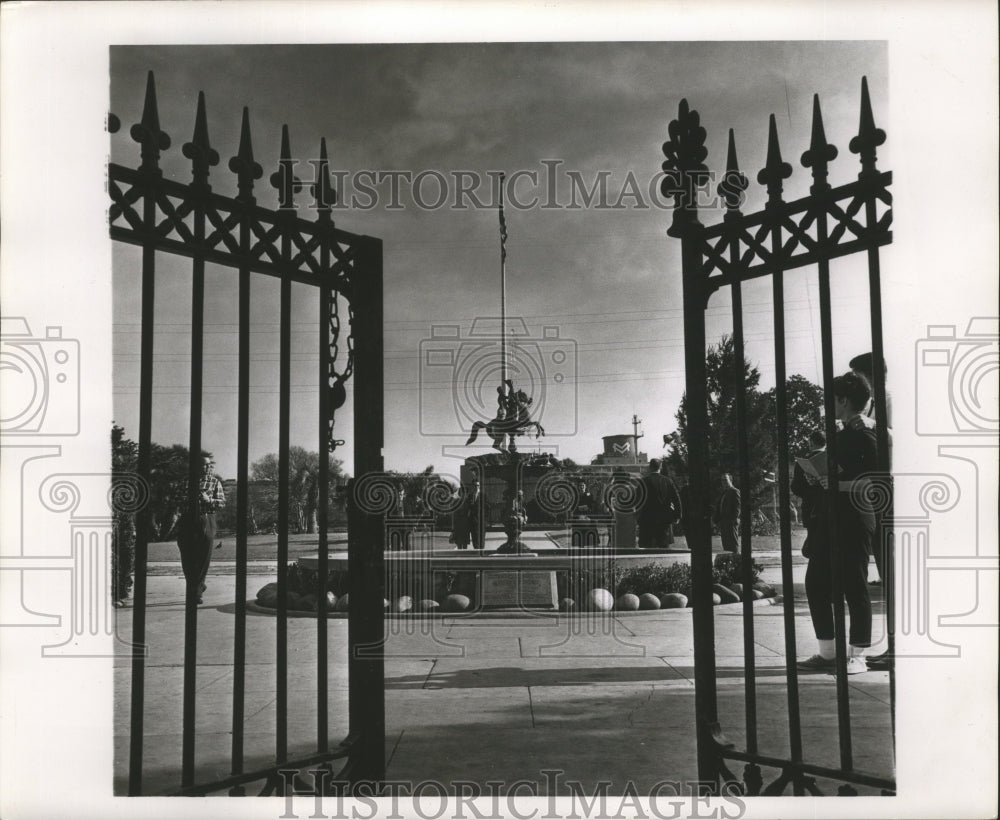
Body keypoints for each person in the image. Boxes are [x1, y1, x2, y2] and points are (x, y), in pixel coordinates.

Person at [797, 371, 878, 675]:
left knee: (853, 587)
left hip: (854, 518)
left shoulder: (865, 434)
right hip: (829, 519)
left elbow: (877, 480)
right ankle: (828, 652)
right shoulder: (842, 434)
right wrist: (816, 478)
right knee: (816, 585)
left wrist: (834, 483)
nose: (826, 404)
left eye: (829, 399)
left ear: (843, 400)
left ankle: (857, 654)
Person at [848, 351, 893, 587]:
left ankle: (894, 581)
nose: (854, 380)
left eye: (857, 374)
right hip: (873, 477)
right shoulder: (871, 402)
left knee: (885, 535)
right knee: (877, 536)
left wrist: (872, 423)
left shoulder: (890, 399)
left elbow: (899, 435)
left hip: (888, 477)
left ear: (870, 374)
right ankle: (887, 578)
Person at [177, 454, 225, 605]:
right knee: (187, 559)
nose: (207, 467)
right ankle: (198, 586)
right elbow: (175, 500)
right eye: (204, 465)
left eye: (209, 465)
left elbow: (222, 503)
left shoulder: (214, 482)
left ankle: (195, 593)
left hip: (206, 520)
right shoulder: (186, 482)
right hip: (187, 521)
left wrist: (209, 500)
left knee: (203, 559)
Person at [791, 430, 827, 559]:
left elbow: (795, 487)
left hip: (811, 507)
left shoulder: (803, 462)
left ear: (811, 443)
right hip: (830, 507)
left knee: (814, 540)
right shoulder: (831, 459)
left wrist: (808, 492)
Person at [637, 458, 682, 550]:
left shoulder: (643, 482)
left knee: (646, 546)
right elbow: (676, 499)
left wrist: (637, 517)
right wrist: (678, 515)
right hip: (664, 519)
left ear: (650, 467)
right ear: (660, 467)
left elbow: (637, 501)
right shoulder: (668, 481)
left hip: (647, 519)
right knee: (663, 545)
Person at [451, 477, 483, 550]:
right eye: (461, 493)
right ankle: (460, 556)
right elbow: (454, 515)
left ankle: (464, 556)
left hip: (466, 524)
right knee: (459, 542)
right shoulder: (456, 502)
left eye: (464, 493)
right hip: (458, 524)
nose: (463, 494)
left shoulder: (467, 501)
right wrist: (453, 527)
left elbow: (471, 510)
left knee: (465, 542)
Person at [713, 473, 741, 553]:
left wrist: (732, 521)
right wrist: (716, 520)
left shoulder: (735, 492)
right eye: (722, 480)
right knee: (726, 546)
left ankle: (737, 560)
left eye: (725, 480)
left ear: (730, 480)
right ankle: (729, 562)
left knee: (733, 544)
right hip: (724, 523)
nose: (723, 482)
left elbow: (737, 509)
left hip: (731, 523)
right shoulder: (724, 492)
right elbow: (720, 508)